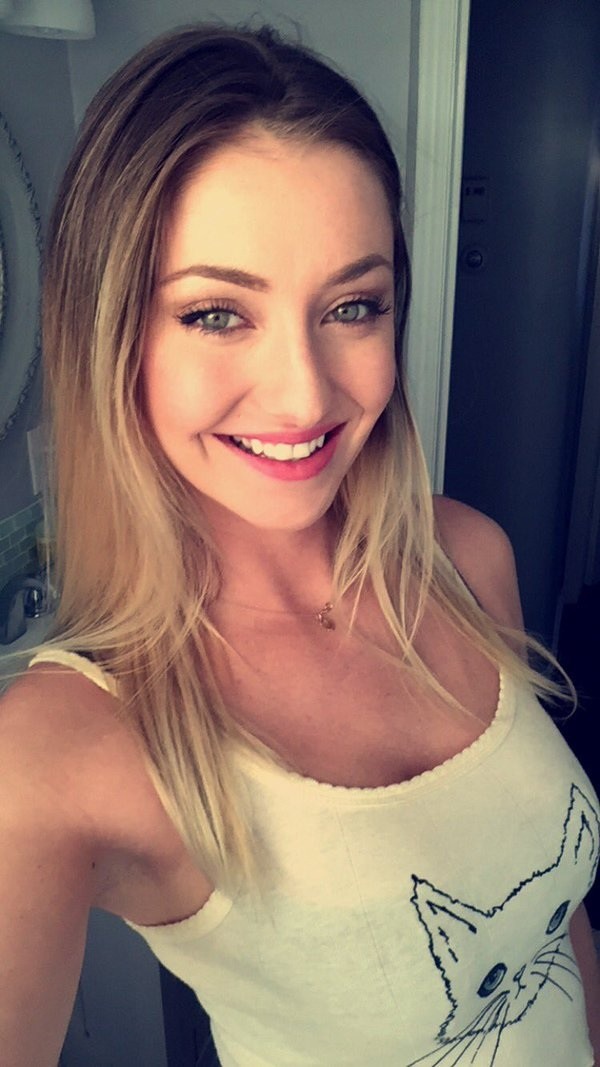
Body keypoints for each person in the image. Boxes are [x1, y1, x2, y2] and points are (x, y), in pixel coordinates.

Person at [1, 22, 599, 1067]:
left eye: (352, 306)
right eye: (216, 313)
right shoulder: (60, 752)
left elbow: (557, 929)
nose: (304, 394)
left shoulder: (467, 558)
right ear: (111, 336)